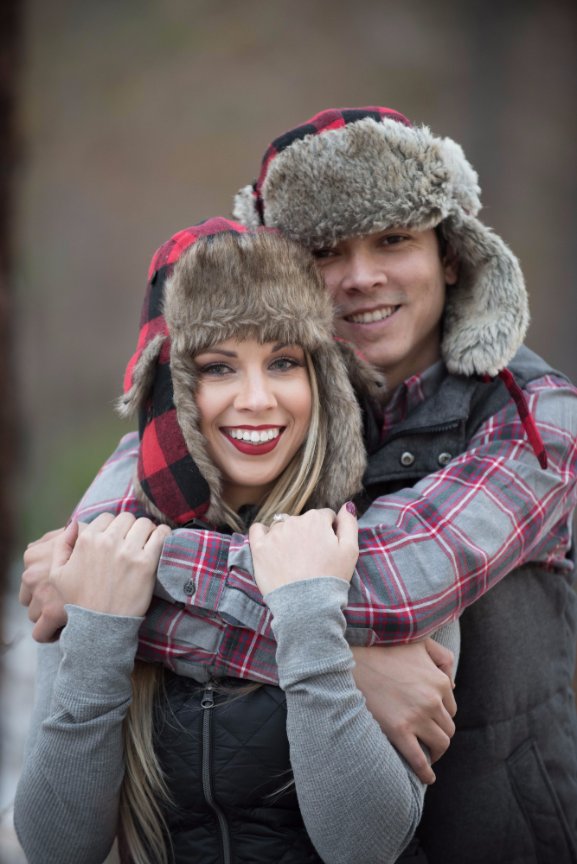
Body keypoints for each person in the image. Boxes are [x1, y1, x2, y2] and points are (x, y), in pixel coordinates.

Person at [20, 107, 577, 861]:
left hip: (500, 835)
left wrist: (110, 581)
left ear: (450, 254)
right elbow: (108, 544)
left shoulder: (536, 416)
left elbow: (388, 590)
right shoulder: (245, 422)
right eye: (325, 249)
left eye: (392, 239)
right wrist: (353, 667)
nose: (361, 276)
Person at [15, 220, 460, 864]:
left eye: (283, 362)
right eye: (218, 368)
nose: (257, 399)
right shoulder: (107, 549)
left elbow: (367, 846)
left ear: (321, 379)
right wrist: (99, 638)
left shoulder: (390, 546)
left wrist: (312, 621)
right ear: (171, 389)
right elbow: (56, 848)